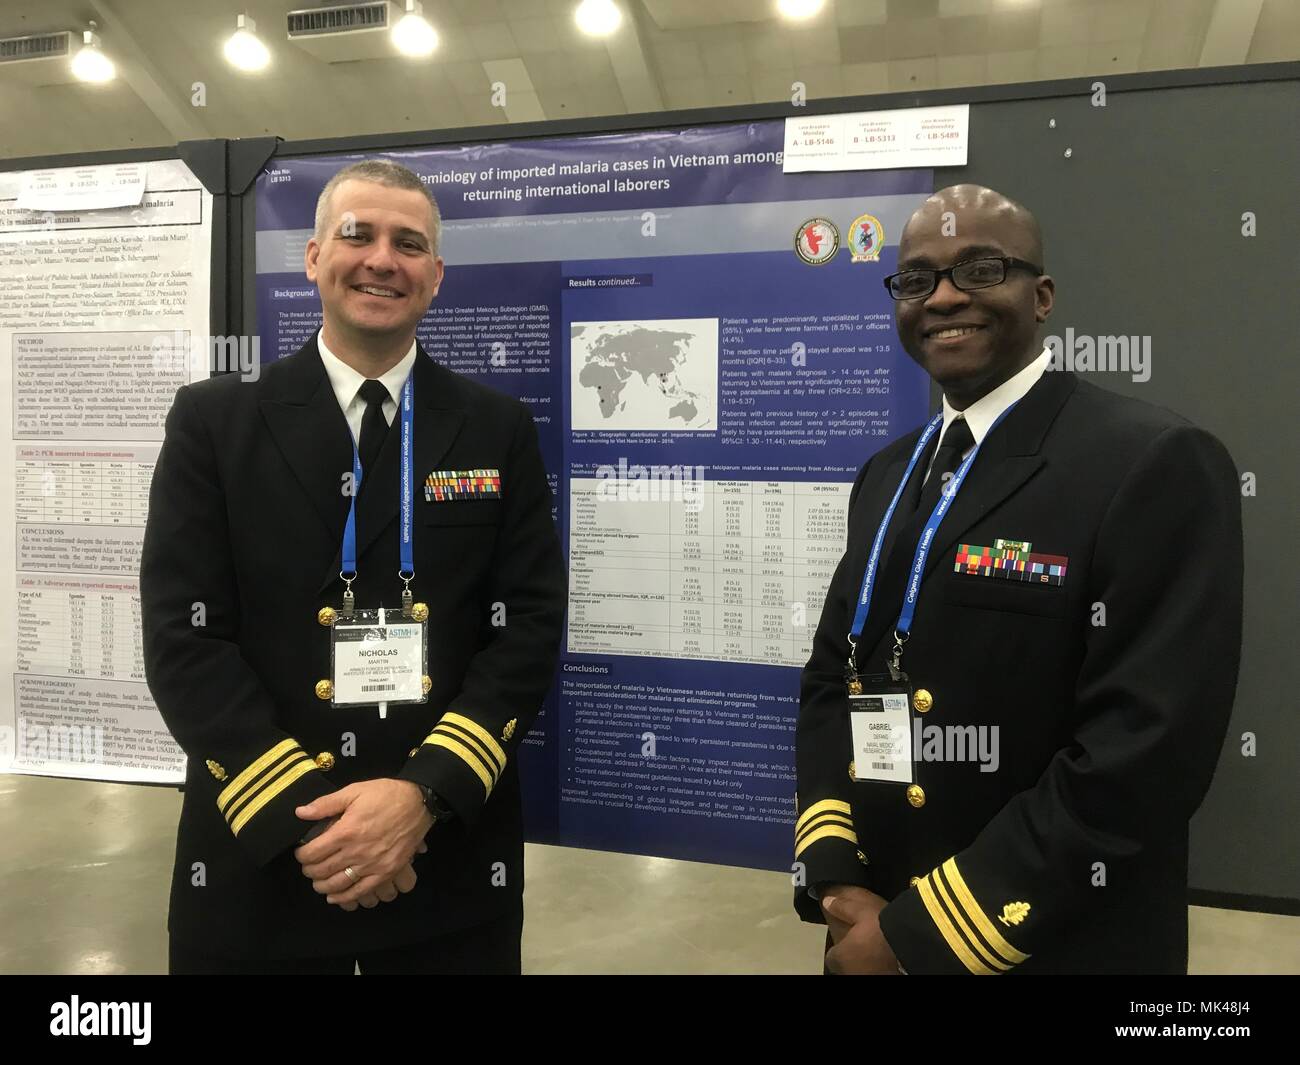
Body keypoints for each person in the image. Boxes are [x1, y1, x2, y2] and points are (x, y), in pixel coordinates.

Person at [794, 184, 1242, 974]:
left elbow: (1142, 756)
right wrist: (838, 879)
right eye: (916, 278)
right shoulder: (887, 474)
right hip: (871, 921)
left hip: (1044, 937)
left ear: (1041, 297)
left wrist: (917, 938)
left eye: (979, 270)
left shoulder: (1149, 461)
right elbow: (837, 675)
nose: (942, 298)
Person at [142, 159, 565, 974]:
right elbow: (182, 639)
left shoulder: (495, 427)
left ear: (435, 276)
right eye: (357, 234)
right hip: (262, 857)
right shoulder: (215, 422)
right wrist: (316, 830)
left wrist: (421, 796)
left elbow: (530, 628)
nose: (382, 259)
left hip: (441, 862)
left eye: (409, 244)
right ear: (312, 257)